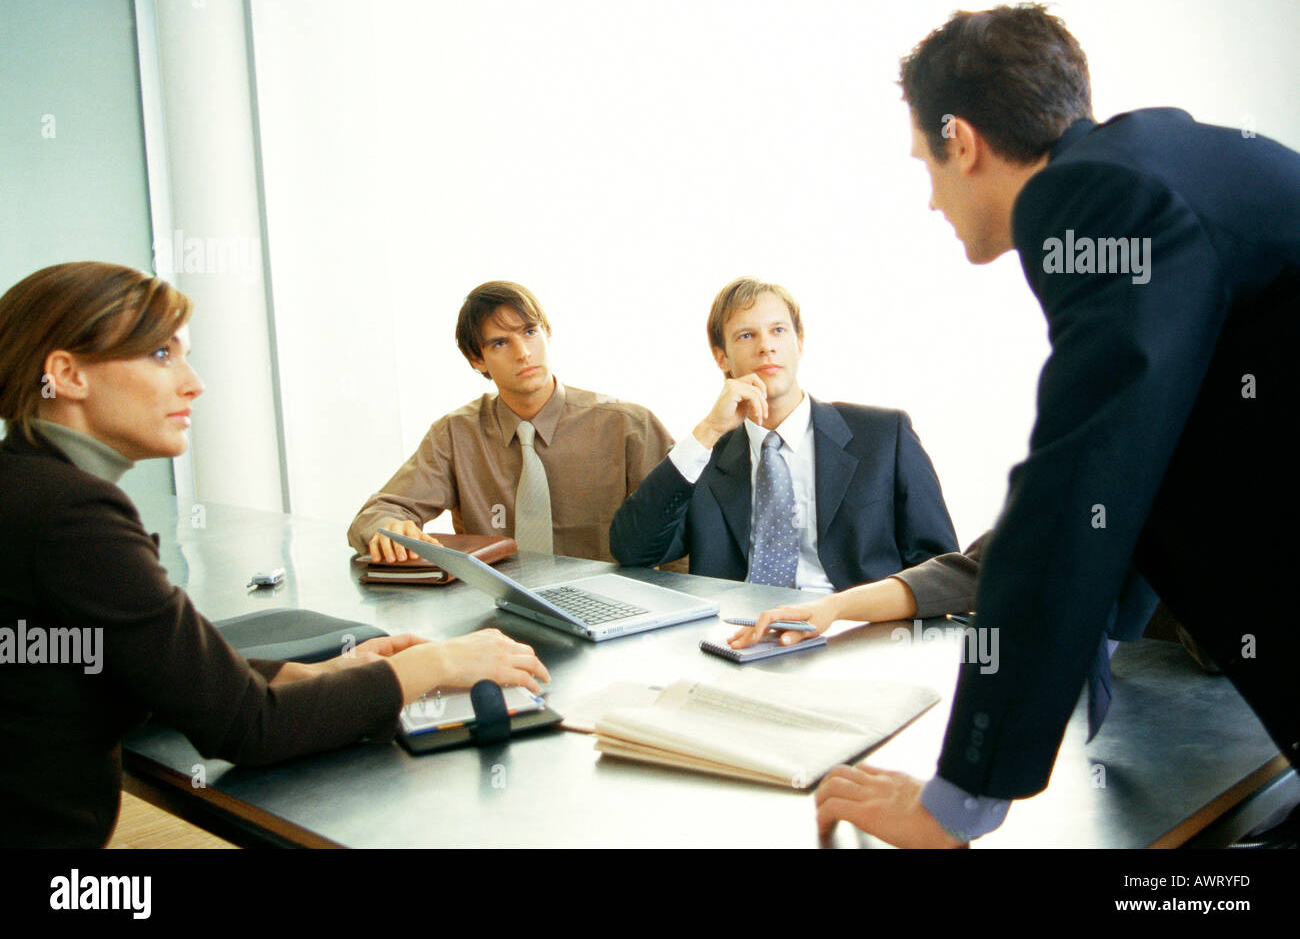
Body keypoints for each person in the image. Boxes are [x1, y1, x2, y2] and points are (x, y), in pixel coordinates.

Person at [806, 3, 1299, 847]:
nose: (930, 197)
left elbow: (1078, 483)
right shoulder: (1155, 165)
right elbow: (1146, 456)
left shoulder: (1093, 199)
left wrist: (961, 795)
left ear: (961, 140)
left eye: (925, 161)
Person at [0, 262, 549, 847]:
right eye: (161, 355)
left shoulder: (27, 487)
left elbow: (135, 668)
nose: (193, 383)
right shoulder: (73, 515)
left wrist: (311, 672)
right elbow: (246, 727)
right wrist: (434, 666)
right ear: (67, 375)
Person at [609, 277, 958, 592]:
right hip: (733, 637)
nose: (766, 347)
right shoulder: (705, 457)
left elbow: (941, 569)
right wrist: (708, 431)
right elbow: (633, 550)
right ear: (722, 358)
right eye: (746, 335)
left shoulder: (883, 435)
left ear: (799, 343)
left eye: (778, 331)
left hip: (854, 630)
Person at [348, 280, 673, 564]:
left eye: (529, 332)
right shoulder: (455, 434)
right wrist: (391, 528)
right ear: (478, 360)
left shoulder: (629, 426)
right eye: (500, 343)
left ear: (546, 333)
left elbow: (684, 531)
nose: (523, 353)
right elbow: (378, 514)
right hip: (494, 614)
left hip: (611, 611)